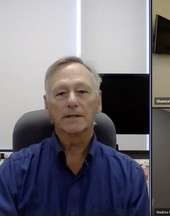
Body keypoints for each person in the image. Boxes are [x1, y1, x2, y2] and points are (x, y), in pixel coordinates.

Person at [0, 56, 149, 216]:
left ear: (99, 101)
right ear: (47, 105)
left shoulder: (130, 176)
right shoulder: (12, 174)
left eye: (82, 92)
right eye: (61, 93)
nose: (72, 101)